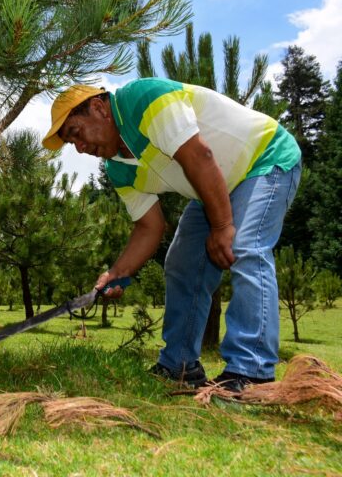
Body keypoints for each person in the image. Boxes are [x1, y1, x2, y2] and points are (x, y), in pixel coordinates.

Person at [42, 78, 301, 391]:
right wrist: (117, 272)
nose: (80, 148)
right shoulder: (118, 168)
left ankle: (252, 372)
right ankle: (179, 365)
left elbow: (199, 157)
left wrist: (221, 226)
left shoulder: (143, 99)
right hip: (213, 186)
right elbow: (149, 226)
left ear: (99, 108)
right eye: (73, 144)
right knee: (181, 263)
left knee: (245, 247)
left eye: (76, 133)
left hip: (264, 158)